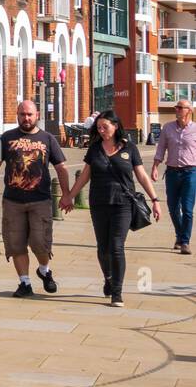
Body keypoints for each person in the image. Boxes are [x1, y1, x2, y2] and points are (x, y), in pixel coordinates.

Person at [62, 110, 161, 306]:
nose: (101, 130)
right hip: (98, 203)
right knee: (102, 248)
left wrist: (155, 200)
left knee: (116, 246)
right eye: (98, 128)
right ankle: (108, 278)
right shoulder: (95, 148)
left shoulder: (130, 148)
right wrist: (69, 197)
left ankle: (117, 292)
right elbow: (85, 176)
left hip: (123, 203)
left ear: (115, 126)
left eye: (105, 127)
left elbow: (141, 176)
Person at [0, 100, 72, 298]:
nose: (26, 118)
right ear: (17, 115)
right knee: (15, 244)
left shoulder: (48, 138)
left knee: (40, 243)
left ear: (37, 115)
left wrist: (66, 194)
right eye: (22, 114)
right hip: (12, 201)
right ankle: (25, 283)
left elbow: (61, 168)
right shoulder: (4, 138)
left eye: (30, 114)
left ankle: (44, 270)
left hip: (40, 200)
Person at [151, 98, 196, 255]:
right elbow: (161, 148)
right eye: (176, 107)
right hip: (171, 173)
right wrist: (155, 166)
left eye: (180, 107)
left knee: (188, 209)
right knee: (172, 207)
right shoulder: (167, 128)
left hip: (190, 172)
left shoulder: (195, 129)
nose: (176, 110)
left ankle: (184, 242)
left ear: (189, 111)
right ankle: (179, 234)